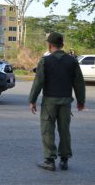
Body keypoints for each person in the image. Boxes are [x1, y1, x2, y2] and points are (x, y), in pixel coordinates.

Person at [28, 32, 86, 171]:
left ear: (49, 45)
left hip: (49, 102)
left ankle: (49, 160)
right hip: (66, 101)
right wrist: (81, 101)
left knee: (48, 130)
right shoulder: (72, 61)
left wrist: (32, 100)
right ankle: (64, 160)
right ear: (62, 45)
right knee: (64, 130)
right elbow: (79, 83)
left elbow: (38, 83)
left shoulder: (45, 61)